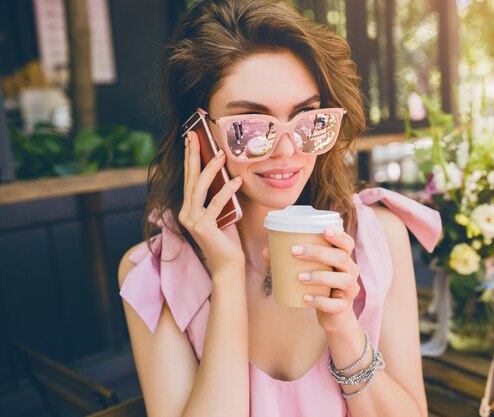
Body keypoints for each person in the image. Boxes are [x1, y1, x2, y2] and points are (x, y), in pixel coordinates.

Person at [117, 1, 441, 416]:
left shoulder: (378, 235)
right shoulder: (155, 276)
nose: (288, 150)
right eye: (249, 126)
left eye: (308, 118)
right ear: (198, 134)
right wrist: (227, 274)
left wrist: (343, 328)